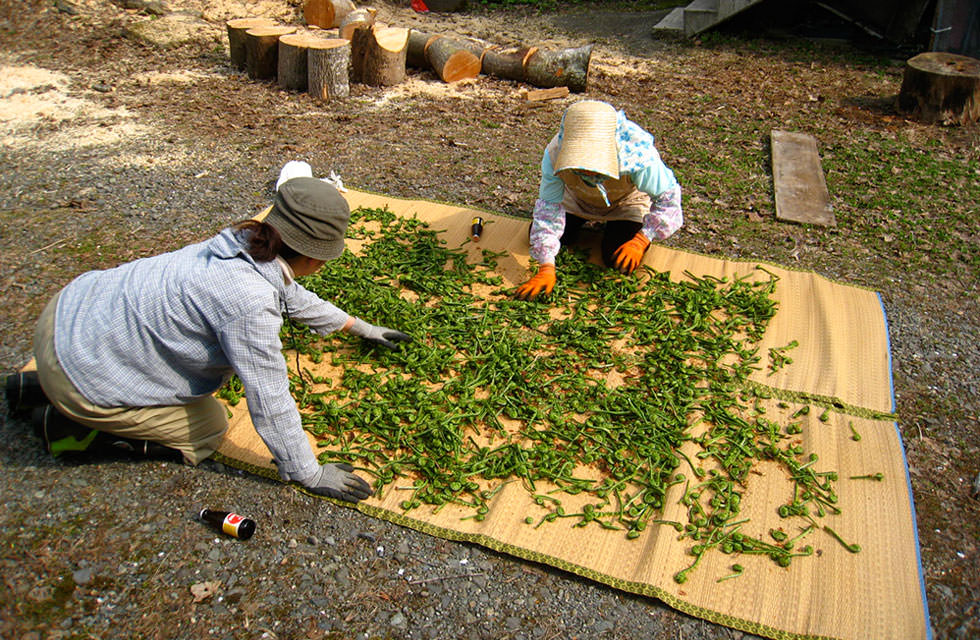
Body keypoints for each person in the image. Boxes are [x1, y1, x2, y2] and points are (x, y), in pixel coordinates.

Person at [4, 168, 411, 503]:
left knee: (132, 352)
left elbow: (291, 295)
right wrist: (309, 472)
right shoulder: (249, 303)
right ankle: (70, 424)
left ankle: (37, 385)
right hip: (80, 373)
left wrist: (359, 327)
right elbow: (269, 396)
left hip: (66, 317)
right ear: (311, 257)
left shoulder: (243, 242)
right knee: (210, 423)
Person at [515, 100, 684, 301]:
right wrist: (546, 267)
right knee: (544, 235)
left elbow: (668, 199)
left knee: (616, 258)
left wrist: (641, 240)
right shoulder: (554, 154)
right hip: (577, 199)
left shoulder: (638, 155)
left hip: (625, 203)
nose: (587, 170)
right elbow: (548, 209)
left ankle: (619, 230)